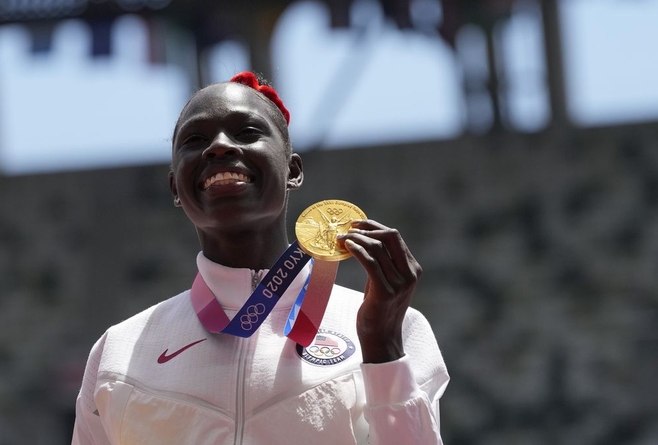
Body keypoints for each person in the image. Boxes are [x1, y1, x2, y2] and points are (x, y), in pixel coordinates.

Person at [71, 72, 449, 444]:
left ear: (293, 171)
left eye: (247, 133)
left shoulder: (396, 328)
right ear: (175, 187)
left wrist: (381, 346)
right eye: (196, 139)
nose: (218, 147)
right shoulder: (116, 352)